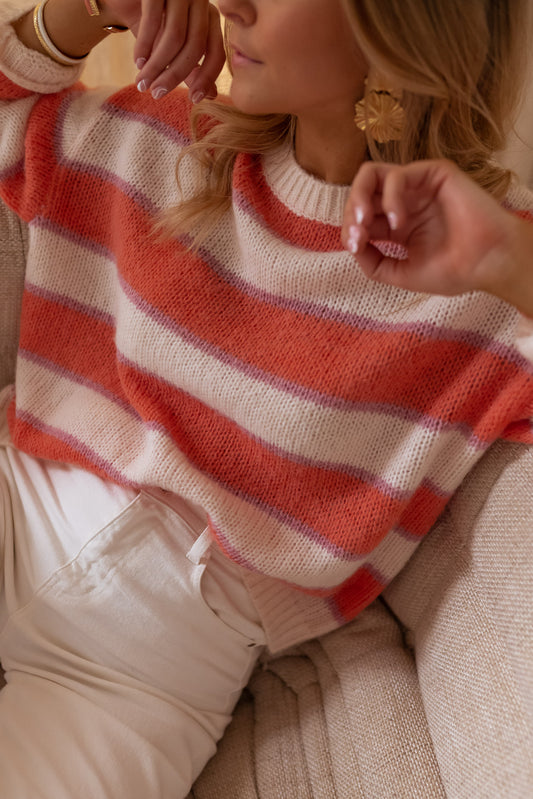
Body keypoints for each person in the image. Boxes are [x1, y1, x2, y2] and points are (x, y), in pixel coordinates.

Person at [0, 0, 532, 795]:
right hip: (20, 507)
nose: (232, 2)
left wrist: (512, 266)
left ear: (398, 33)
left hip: (149, 673)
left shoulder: (479, 277)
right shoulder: (168, 139)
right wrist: (82, 12)